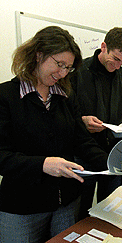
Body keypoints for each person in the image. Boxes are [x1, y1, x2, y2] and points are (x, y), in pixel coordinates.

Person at [0, 26, 111, 242]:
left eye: (68, 68)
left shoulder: (65, 97)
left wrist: (112, 162)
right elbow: (2, 156)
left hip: (67, 205)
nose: (62, 73)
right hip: (22, 210)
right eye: (59, 64)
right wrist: (43, 164)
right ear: (38, 54)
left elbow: (82, 141)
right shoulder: (6, 97)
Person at [70, 27, 122, 220]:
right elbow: (64, 116)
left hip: (113, 155)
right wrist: (82, 121)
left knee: (111, 212)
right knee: (81, 212)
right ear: (103, 46)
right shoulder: (77, 73)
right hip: (83, 156)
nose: (118, 65)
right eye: (115, 59)